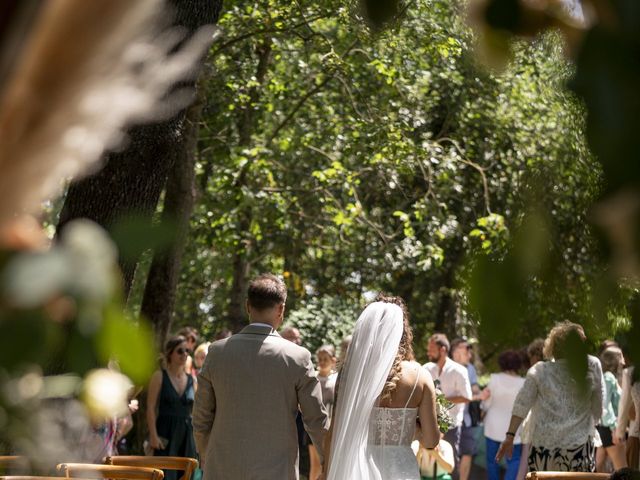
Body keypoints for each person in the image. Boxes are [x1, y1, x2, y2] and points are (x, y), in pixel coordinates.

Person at [192, 274, 328, 479]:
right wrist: (328, 459)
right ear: (281, 309)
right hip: (277, 471)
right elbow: (316, 419)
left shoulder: (217, 352)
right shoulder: (297, 357)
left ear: (248, 306)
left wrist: (205, 455)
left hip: (222, 468)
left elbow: (201, 417)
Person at [325, 295, 440, 479]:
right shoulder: (420, 376)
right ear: (402, 331)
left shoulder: (349, 376)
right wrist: (416, 429)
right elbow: (431, 440)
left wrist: (326, 473)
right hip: (400, 470)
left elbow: (333, 433)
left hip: (356, 467)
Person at [496, 321, 605, 473]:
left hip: (544, 450)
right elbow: (598, 406)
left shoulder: (539, 371)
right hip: (579, 447)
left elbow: (522, 404)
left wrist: (510, 436)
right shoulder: (592, 364)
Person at [146, 336, 197, 480]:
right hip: (165, 432)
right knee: (163, 474)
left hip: (187, 433)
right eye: (180, 351)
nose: (185, 354)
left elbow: (196, 411)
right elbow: (150, 408)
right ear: (170, 353)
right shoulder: (159, 376)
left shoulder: (192, 380)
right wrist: (153, 436)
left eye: (187, 351)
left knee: (186, 474)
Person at [423, 333, 472, 475]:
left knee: (450, 465)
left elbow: (467, 397)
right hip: (430, 423)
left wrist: (440, 399)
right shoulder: (426, 368)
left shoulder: (459, 370)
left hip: (451, 425)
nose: (428, 352)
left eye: (431, 349)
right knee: (428, 463)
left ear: (443, 350)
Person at [482, 350, 526, 480]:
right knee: (514, 460)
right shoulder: (523, 382)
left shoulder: (494, 378)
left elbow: (486, 404)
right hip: (514, 428)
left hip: (493, 427)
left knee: (492, 461)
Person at [449, 338, 482, 480]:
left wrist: (480, 393)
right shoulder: (444, 367)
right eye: (465, 349)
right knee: (449, 454)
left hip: (465, 419)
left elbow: (474, 389)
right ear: (455, 352)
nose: (469, 354)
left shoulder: (470, 368)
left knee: (468, 451)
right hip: (446, 420)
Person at [309, 345, 338, 480]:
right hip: (314, 425)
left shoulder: (337, 379)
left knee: (329, 464)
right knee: (315, 464)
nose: (321, 362)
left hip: (332, 426)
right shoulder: (313, 377)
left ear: (333, 360)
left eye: (325, 359)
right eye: (319, 359)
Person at [597, 346, 627, 471]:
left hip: (603, 429)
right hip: (609, 429)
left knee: (596, 472)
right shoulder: (608, 377)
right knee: (623, 470)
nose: (624, 360)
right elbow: (605, 406)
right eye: (621, 356)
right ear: (615, 360)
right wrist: (614, 428)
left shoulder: (607, 377)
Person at [615, 366, 640, 469]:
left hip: (636, 433)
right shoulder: (630, 372)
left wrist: (620, 432)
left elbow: (624, 405)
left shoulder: (630, 372)